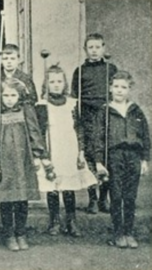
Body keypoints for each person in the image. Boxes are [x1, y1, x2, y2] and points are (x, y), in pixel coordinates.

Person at [0, 78, 53, 251]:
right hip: (4, 162)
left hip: (23, 161)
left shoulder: (26, 111)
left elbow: (34, 133)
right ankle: (9, 234)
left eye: (13, 95)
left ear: (19, 96)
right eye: (5, 95)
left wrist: (37, 155)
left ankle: (21, 232)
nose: (9, 99)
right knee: (6, 199)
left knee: (22, 199)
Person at [35, 65, 98, 237]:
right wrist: (42, 155)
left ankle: (71, 221)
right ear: (46, 84)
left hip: (69, 147)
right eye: (52, 82)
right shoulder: (42, 105)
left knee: (68, 187)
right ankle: (54, 220)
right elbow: (39, 131)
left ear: (65, 84)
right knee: (53, 186)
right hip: (52, 148)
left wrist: (81, 151)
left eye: (59, 81)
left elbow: (79, 128)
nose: (56, 85)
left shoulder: (72, 103)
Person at [94, 71, 149, 249]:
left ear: (129, 89)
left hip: (133, 155)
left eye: (123, 87)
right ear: (110, 88)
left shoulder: (136, 111)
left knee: (130, 197)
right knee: (116, 196)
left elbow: (145, 137)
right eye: (116, 86)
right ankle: (118, 233)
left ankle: (129, 232)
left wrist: (145, 160)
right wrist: (99, 161)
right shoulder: (105, 111)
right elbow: (98, 137)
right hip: (114, 156)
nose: (119, 90)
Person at [71, 33, 118, 214]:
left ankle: (103, 198)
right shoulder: (80, 71)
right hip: (88, 115)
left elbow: (115, 92)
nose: (94, 50)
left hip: (105, 113)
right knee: (90, 156)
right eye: (90, 47)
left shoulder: (110, 69)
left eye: (97, 47)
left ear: (103, 48)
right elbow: (75, 94)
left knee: (105, 155)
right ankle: (92, 198)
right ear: (85, 50)